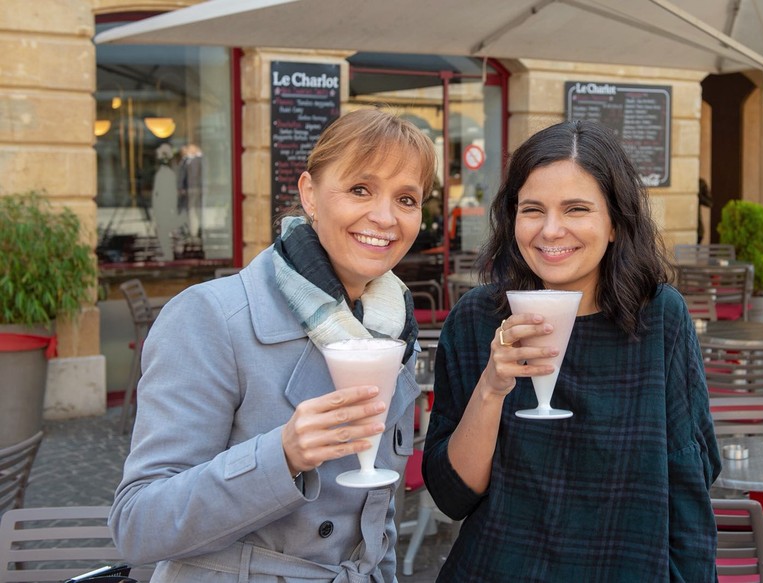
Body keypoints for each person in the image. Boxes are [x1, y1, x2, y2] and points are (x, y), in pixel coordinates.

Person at [110, 108, 436, 582]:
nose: (384, 217)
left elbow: (374, 520)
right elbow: (138, 524)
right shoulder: (213, 317)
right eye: (360, 189)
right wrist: (281, 456)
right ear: (310, 194)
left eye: (406, 198)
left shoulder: (390, 327)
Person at [422, 120, 721, 581]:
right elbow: (452, 496)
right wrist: (491, 387)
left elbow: (689, 481)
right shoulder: (477, 317)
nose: (551, 230)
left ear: (616, 222)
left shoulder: (659, 317)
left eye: (576, 209)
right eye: (532, 209)